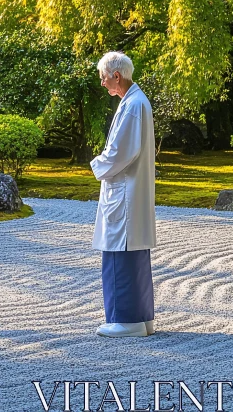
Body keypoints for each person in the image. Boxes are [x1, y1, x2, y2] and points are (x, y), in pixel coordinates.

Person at [91, 51, 157, 338]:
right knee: (134, 255)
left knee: (119, 253)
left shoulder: (132, 106)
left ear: (116, 76)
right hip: (130, 192)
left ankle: (126, 320)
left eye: (104, 78)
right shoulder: (135, 102)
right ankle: (142, 318)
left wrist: (96, 164)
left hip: (125, 193)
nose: (103, 84)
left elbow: (120, 152)